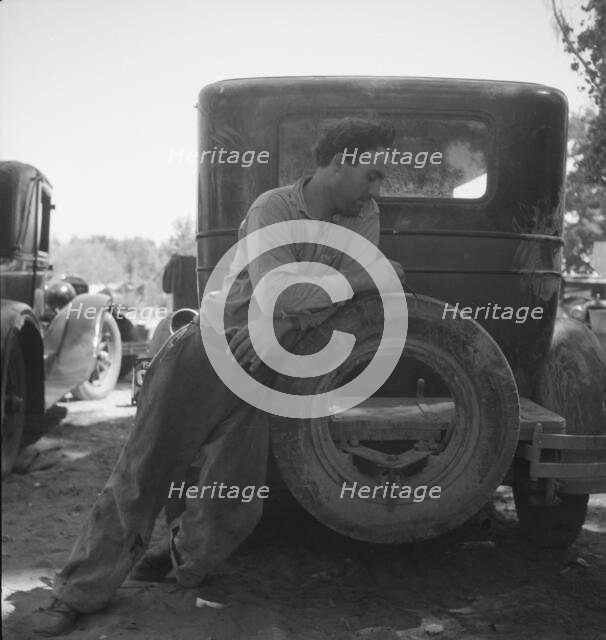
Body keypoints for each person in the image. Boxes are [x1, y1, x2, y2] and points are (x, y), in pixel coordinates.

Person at [32, 117, 403, 636]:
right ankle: (77, 592)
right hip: (210, 351)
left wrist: (296, 314)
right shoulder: (271, 210)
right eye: (373, 174)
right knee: (144, 474)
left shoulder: (364, 214)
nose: (376, 188)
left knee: (233, 495)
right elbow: (306, 292)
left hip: (270, 360)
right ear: (344, 160)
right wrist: (357, 280)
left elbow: (324, 305)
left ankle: (179, 559)